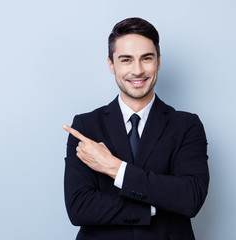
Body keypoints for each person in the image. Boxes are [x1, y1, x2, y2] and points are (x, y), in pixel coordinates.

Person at [63, 17, 209, 240]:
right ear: (111, 64)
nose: (138, 70)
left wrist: (115, 168)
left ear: (158, 61)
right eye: (126, 60)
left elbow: (189, 198)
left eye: (146, 58)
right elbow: (79, 207)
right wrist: (153, 205)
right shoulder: (86, 127)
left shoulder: (187, 125)